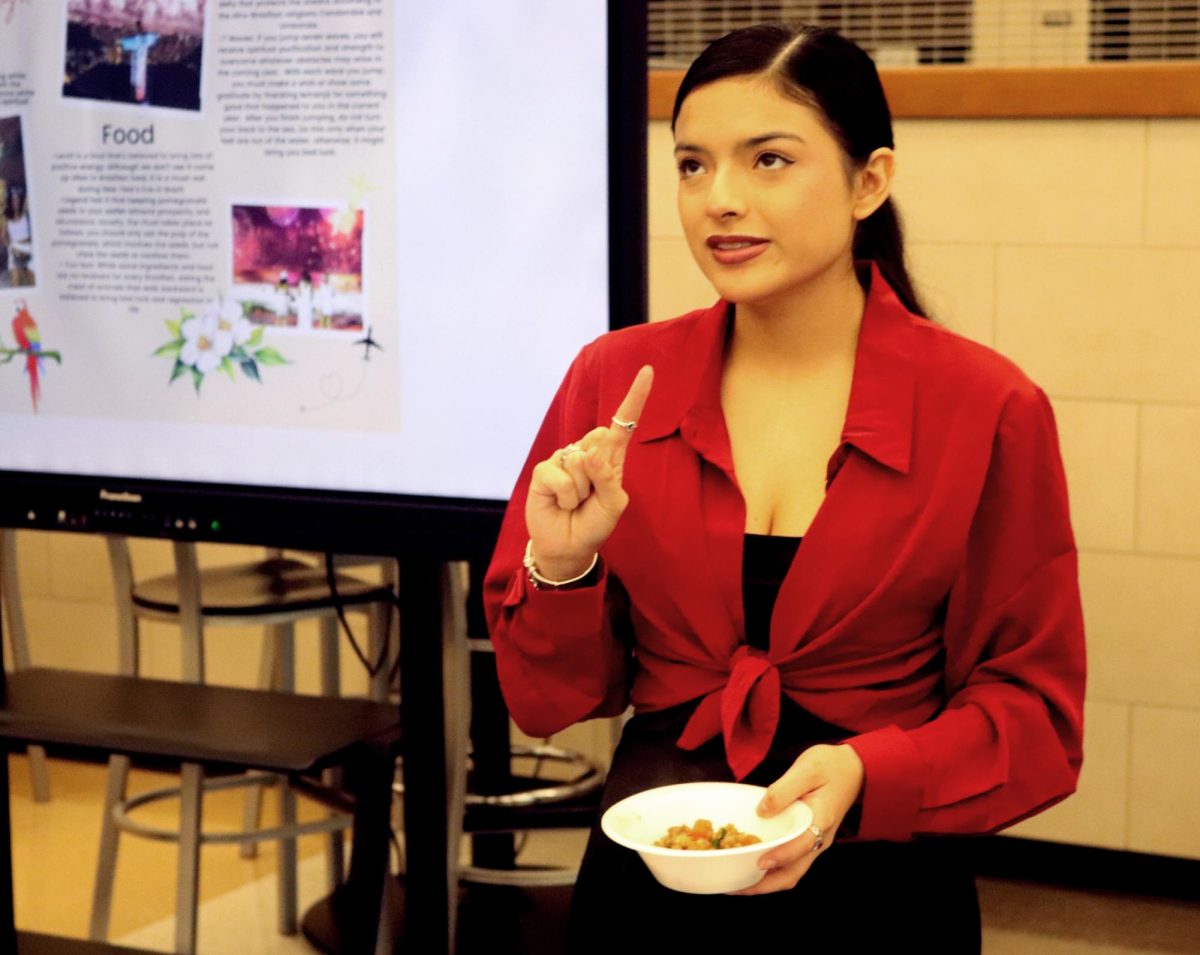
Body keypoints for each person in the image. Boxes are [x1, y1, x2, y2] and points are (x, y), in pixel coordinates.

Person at [484, 23, 1084, 953]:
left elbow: (1037, 715)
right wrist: (560, 567)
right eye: (691, 165)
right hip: (650, 877)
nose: (719, 200)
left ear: (868, 182)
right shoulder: (614, 382)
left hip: (880, 880)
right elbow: (551, 701)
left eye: (768, 160)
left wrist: (867, 773)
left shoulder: (988, 407)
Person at [120, 18, 159, 104]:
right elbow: (154, 37)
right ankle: (140, 99)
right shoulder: (142, 40)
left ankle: (140, 99)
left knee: (138, 82)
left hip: (139, 69)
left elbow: (123, 43)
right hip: (139, 68)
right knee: (138, 82)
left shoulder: (139, 40)